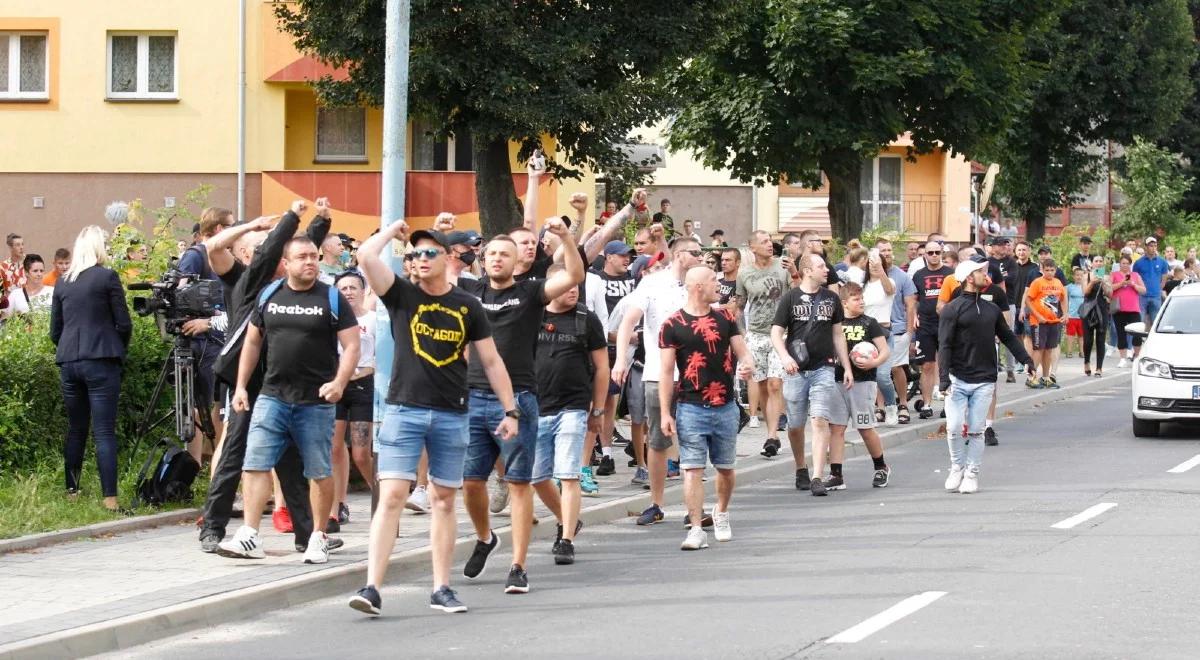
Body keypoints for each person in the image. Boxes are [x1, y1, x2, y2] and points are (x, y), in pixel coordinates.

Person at [349, 222, 515, 617]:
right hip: (404, 409)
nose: (420, 260)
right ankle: (372, 586)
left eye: (429, 253)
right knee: (391, 496)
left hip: (451, 413)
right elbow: (366, 256)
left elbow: (490, 360)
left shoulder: (467, 305)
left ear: (448, 257)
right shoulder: (402, 295)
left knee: (443, 499)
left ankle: (441, 587)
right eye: (414, 255)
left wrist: (511, 410)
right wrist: (392, 231)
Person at [217, 233, 361, 565]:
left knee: (318, 470)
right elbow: (252, 343)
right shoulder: (270, 294)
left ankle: (318, 536)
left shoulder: (332, 298)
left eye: (313, 256)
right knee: (254, 463)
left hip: (316, 401)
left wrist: (340, 382)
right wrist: (240, 387)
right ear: (287, 263)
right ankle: (251, 535)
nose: (310, 261)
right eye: (302, 257)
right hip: (272, 396)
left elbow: (352, 346)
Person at [459, 217, 584, 595]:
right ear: (482, 258)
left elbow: (574, 275)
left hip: (518, 401)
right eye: (492, 253)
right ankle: (485, 537)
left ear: (517, 264)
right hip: (474, 398)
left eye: (505, 255)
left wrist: (565, 237)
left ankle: (518, 565)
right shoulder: (470, 292)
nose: (498, 259)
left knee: (518, 484)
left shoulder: (531, 293)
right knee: (470, 482)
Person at [197, 202, 331, 555]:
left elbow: (297, 252)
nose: (269, 251)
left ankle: (306, 534)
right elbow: (270, 249)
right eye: (260, 247)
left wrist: (321, 222)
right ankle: (212, 528)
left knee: (290, 460)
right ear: (247, 253)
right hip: (250, 384)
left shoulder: (285, 286)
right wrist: (285, 218)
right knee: (235, 454)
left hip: (279, 383)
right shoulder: (246, 278)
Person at [659, 266, 754, 549]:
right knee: (692, 468)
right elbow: (666, 372)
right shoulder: (672, 324)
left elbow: (742, 351)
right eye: (713, 280)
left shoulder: (725, 316)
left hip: (725, 405)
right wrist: (666, 411)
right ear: (698, 286)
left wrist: (748, 364)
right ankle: (696, 528)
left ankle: (721, 513)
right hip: (690, 406)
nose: (719, 285)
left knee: (725, 468)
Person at [613, 237, 704, 524]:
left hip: (695, 374)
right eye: (696, 253)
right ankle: (656, 503)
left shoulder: (699, 285)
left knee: (693, 439)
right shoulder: (653, 283)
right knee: (658, 440)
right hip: (658, 374)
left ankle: (695, 509)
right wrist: (620, 360)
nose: (701, 257)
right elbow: (629, 320)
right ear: (679, 255)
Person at [49, 226, 132, 512]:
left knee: (76, 428)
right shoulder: (107, 277)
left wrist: (71, 349)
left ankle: (72, 490)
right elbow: (124, 323)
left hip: (69, 361)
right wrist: (117, 349)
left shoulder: (63, 282)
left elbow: (54, 331)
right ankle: (110, 498)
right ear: (98, 248)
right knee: (104, 431)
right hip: (101, 359)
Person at [532, 265, 608, 564]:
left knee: (568, 474)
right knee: (538, 477)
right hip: (536, 406)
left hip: (573, 407)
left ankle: (565, 541)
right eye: (566, 285)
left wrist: (598, 409)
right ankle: (566, 519)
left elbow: (601, 367)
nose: (573, 290)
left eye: (577, 285)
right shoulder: (533, 316)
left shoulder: (584, 319)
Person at [938, 258, 1035, 494]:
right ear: (969, 278)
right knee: (953, 427)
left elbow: (1009, 337)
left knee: (976, 429)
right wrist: (943, 378)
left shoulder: (991, 309)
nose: (986, 275)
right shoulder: (952, 309)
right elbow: (945, 344)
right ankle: (957, 466)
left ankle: (972, 473)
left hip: (984, 380)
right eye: (981, 272)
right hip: (957, 379)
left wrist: (1026, 360)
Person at [771, 253, 853, 495]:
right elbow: (776, 333)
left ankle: (817, 476)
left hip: (823, 368)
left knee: (819, 420)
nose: (826, 270)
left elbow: (838, 335)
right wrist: (785, 357)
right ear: (807, 271)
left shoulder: (831, 299)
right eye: (821, 267)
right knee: (796, 424)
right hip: (796, 371)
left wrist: (846, 367)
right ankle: (800, 468)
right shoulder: (790, 298)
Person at [176, 207, 234, 465]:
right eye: (231, 226)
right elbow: (180, 294)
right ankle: (196, 463)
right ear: (220, 229)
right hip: (201, 342)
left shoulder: (223, 257)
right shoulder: (195, 256)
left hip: (218, 337)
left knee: (219, 406)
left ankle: (216, 461)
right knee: (202, 405)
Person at [825, 282, 892, 489]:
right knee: (836, 427)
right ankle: (836, 474)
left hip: (863, 381)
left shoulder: (869, 323)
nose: (861, 302)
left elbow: (884, 351)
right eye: (856, 299)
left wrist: (873, 362)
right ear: (844, 302)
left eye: (862, 298)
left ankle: (881, 467)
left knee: (865, 427)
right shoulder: (836, 324)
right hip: (838, 380)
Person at [583, 239, 637, 480]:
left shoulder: (634, 279)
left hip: (618, 349)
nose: (627, 259)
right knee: (590, 404)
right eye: (622, 255)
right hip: (602, 342)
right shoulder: (596, 278)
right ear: (608, 256)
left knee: (608, 404)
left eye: (629, 256)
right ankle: (589, 454)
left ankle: (607, 454)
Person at [734, 230, 790, 458]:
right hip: (756, 334)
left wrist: (794, 272)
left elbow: (794, 292)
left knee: (776, 384)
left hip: (780, 332)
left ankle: (773, 434)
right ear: (753, 247)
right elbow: (739, 305)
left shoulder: (782, 267)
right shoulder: (744, 273)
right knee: (763, 384)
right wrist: (741, 331)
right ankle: (770, 433)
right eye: (764, 241)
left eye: (770, 241)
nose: (770, 245)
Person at [330, 271, 377, 526]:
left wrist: (367, 369)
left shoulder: (374, 319)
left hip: (364, 388)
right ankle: (338, 505)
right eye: (343, 288)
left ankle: (380, 495)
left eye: (353, 287)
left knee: (361, 452)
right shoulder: (332, 318)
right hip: (336, 387)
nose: (348, 292)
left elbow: (383, 355)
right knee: (334, 448)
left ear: (363, 290)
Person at [875, 239, 917, 425]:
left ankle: (903, 404)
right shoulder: (870, 276)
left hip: (898, 328)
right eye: (883, 250)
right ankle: (881, 407)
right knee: (878, 370)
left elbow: (910, 305)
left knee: (895, 367)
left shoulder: (902, 276)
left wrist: (909, 333)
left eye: (889, 250)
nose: (887, 253)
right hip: (876, 330)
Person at [910, 241, 953, 419]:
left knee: (947, 364)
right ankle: (927, 404)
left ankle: (948, 404)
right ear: (924, 255)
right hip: (925, 325)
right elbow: (913, 299)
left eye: (937, 252)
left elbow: (958, 298)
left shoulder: (951, 274)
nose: (934, 255)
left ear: (942, 253)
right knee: (927, 365)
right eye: (930, 253)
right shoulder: (919, 275)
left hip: (947, 324)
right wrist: (913, 316)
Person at [861, 247, 896, 425]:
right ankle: (870, 410)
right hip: (864, 335)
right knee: (866, 378)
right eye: (871, 263)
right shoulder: (861, 285)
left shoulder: (888, 282)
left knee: (882, 376)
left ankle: (891, 406)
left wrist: (880, 269)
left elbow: (889, 290)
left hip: (883, 334)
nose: (874, 265)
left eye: (878, 263)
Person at [1021, 259, 1066, 388]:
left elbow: (1063, 298)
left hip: (1053, 321)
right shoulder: (1037, 282)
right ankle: (1031, 377)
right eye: (1047, 270)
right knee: (1038, 350)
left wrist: (1065, 313)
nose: (1050, 273)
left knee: (1048, 350)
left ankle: (1045, 377)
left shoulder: (1058, 282)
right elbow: (1028, 300)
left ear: (1055, 270)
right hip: (1039, 322)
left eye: (1052, 270)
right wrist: (1037, 315)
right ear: (1042, 270)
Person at [1109, 254, 1146, 367]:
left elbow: (1143, 290)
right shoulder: (1114, 275)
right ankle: (1122, 358)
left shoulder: (1135, 275)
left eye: (1127, 263)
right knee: (1121, 333)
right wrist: (1121, 283)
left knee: (1137, 334)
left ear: (1130, 264)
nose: (1125, 265)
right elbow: (1108, 288)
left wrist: (1133, 284)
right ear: (1119, 264)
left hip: (1133, 309)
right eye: (1123, 263)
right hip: (1119, 309)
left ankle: (1137, 355)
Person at [1080, 262, 1110, 377]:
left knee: (1100, 339)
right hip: (1088, 309)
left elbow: (1110, 294)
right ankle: (1086, 362)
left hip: (1102, 310)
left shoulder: (1107, 277)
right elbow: (1085, 292)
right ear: (1092, 264)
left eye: (1101, 261)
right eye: (1096, 261)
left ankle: (1099, 368)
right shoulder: (1086, 276)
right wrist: (1092, 282)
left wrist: (1103, 283)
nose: (1098, 263)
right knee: (1087, 340)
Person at [1, 254, 53, 319]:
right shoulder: (15, 295)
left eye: (41, 271)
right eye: (35, 271)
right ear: (26, 272)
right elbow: (4, 321)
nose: (39, 274)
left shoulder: (52, 292)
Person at [1132, 236, 1170, 325]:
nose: (1153, 248)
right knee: (1139, 322)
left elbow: (1164, 277)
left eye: (1155, 246)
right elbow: (1135, 278)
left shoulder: (1162, 262)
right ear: (1146, 247)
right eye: (1151, 246)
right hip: (1142, 297)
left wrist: (1159, 288)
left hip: (1156, 296)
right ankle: (1139, 339)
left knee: (1156, 322)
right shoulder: (1138, 263)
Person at [1064, 268, 1085, 358]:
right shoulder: (1069, 287)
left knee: (1082, 335)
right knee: (1070, 335)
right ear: (1074, 276)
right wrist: (1066, 313)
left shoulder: (1086, 287)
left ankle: (1082, 352)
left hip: (1083, 315)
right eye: (1077, 275)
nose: (1079, 277)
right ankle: (1069, 352)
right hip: (1072, 315)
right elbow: (1064, 300)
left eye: (1081, 275)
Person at [1, 232, 26, 300]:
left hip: (29, 304)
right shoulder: (3, 267)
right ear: (10, 247)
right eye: (18, 245)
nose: (21, 247)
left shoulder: (30, 263)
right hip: (10, 306)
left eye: (22, 244)